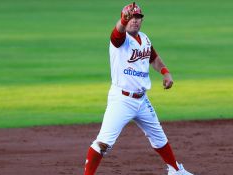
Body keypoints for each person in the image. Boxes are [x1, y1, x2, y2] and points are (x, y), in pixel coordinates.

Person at [83, 2, 194, 175]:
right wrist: (122, 20)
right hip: (122, 100)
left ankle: (175, 170)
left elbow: (153, 57)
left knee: (159, 138)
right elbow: (116, 33)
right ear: (125, 19)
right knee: (104, 143)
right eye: (131, 17)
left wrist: (166, 72)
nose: (135, 21)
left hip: (142, 100)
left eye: (138, 17)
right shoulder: (120, 40)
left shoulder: (144, 38)